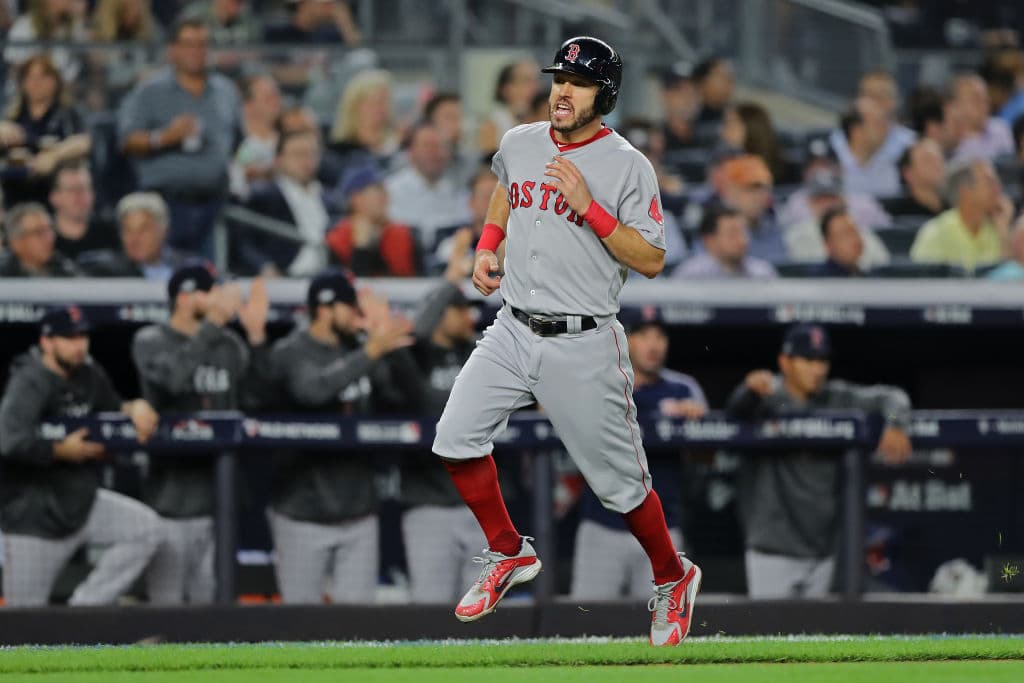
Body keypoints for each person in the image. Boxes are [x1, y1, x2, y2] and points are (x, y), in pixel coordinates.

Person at [432, 37, 701, 647]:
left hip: (584, 338)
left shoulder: (628, 164)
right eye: (559, 78)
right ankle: (508, 552)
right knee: (454, 439)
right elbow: (507, 187)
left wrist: (592, 211)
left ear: (603, 93)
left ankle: (671, 575)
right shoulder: (521, 141)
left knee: (620, 490)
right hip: (513, 324)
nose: (562, 90)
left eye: (577, 83)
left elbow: (653, 259)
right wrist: (486, 246)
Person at [725, 324, 913, 598]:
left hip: (824, 552)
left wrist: (896, 424)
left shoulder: (836, 396)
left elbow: (893, 397)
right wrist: (749, 389)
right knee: (770, 637)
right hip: (773, 549)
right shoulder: (768, 397)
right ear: (785, 362)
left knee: (815, 638)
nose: (818, 369)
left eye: (822, 360)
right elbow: (736, 410)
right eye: (808, 360)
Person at [267, 271, 418, 604]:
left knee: (358, 629)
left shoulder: (361, 349)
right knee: (299, 627)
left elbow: (404, 398)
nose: (356, 315)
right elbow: (312, 391)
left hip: (358, 510)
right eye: (350, 307)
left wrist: (388, 345)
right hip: (301, 511)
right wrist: (371, 351)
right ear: (324, 309)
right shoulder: (291, 351)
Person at [0, 306, 160, 607]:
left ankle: (82, 610)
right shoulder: (29, 380)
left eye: (83, 336)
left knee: (145, 529)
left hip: (80, 502)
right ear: (47, 342)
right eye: (69, 338)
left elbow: (113, 407)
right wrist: (60, 450)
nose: (79, 345)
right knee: (22, 628)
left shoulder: (88, 373)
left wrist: (133, 407)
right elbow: (9, 441)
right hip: (33, 520)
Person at [131, 264, 271, 604]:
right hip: (169, 498)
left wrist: (255, 337)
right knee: (166, 609)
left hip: (219, 500)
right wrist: (210, 327)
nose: (216, 299)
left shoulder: (229, 345)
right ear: (183, 297)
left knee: (213, 607)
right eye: (207, 292)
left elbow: (260, 400)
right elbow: (172, 380)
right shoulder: (151, 341)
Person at [571, 309, 707, 600]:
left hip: (664, 525)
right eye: (644, 335)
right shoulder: (603, 382)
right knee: (586, 621)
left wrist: (694, 426)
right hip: (603, 523)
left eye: (660, 336)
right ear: (626, 339)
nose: (653, 344)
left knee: (665, 620)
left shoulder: (683, 388)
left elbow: (707, 459)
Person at [118, 18, 243, 257]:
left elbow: (238, 140)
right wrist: (164, 137)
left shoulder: (226, 91)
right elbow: (127, 140)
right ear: (172, 50)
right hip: (165, 204)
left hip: (215, 204)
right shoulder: (149, 91)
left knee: (211, 279)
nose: (196, 51)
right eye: (189, 44)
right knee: (166, 278)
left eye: (202, 44)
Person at [235, 129, 331, 277]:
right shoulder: (263, 196)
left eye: (312, 153)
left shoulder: (332, 199)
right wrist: (264, 266)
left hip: (329, 275)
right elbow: (243, 242)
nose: (307, 160)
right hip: (285, 278)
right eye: (298, 154)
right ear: (279, 160)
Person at [0, 55, 91, 207]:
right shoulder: (11, 115)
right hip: (14, 188)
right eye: (30, 77)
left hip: (55, 191)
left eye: (43, 76)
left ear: (55, 81)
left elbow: (84, 142)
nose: (36, 83)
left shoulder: (67, 114)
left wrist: (54, 155)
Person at [910, 158, 1012, 272]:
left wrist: (1004, 233)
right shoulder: (935, 232)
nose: (998, 188)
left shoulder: (999, 229)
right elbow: (922, 280)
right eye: (990, 182)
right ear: (965, 191)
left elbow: (1009, 276)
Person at [385, 122, 471, 252]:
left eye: (440, 146)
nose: (434, 152)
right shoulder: (390, 192)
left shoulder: (458, 194)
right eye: (427, 145)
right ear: (411, 152)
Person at [325, 165, 420, 277]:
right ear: (356, 198)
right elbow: (345, 286)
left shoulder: (406, 234)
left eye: (384, 191)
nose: (384, 196)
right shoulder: (338, 238)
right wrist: (360, 248)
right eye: (377, 190)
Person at [783, 171, 889, 271]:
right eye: (820, 199)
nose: (827, 204)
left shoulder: (859, 229)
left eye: (832, 198)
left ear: (843, 200)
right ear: (810, 203)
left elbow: (881, 262)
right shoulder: (798, 234)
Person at [78, 192, 189, 279]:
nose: (135, 239)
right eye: (128, 230)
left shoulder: (188, 269)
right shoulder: (105, 272)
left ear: (163, 231)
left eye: (143, 230)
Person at [322, 69, 398, 187]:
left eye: (384, 101)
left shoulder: (399, 144)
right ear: (353, 106)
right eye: (372, 102)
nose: (380, 108)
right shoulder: (338, 152)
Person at [829, 96, 911, 199]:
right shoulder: (828, 162)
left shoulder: (888, 169)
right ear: (856, 131)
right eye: (878, 124)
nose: (886, 130)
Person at [672, 204, 776, 279]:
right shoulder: (690, 275)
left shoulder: (763, 272)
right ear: (709, 241)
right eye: (732, 234)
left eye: (743, 232)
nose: (742, 240)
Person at [716, 154, 787, 263]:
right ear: (730, 192)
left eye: (762, 189)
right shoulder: (717, 232)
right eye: (750, 189)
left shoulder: (777, 229)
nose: (758, 197)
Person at [3, 0, 89, 85]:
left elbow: (87, 59)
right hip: (30, 89)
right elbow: (13, 65)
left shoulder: (75, 26)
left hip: (67, 90)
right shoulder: (25, 26)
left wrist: (83, 17)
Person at [48, 160, 119, 260]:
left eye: (84, 188)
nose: (78, 196)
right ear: (54, 197)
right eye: (71, 189)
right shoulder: (43, 240)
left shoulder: (111, 233)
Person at [229, 73, 283, 200]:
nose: (277, 101)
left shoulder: (289, 139)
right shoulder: (231, 141)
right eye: (268, 98)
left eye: (277, 95)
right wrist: (246, 173)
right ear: (246, 104)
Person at [476, 59, 540, 156]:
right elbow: (488, 165)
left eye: (535, 80)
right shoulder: (493, 125)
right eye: (526, 81)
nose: (535, 86)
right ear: (507, 89)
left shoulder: (546, 119)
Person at [0, 201, 81, 277]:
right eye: (39, 232)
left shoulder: (65, 269)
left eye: (49, 230)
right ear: (16, 243)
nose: (49, 237)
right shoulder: (4, 274)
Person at [950, 74, 1015, 163]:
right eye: (976, 99)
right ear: (957, 104)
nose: (983, 104)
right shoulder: (951, 140)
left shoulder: (1001, 129)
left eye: (985, 99)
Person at [882, 139, 947, 218]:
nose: (938, 165)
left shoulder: (957, 206)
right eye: (928, 160)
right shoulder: (891, 214)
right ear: (908, 173)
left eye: (940, 159)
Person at [264, 0, 361, 45]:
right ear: (303, 4)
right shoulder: (276, 33)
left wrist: (343, 19)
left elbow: (360, 54)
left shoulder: (331, 34)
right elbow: (270, 70)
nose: (328, 6)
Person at [808, 207, 867, 277]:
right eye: (845, 234)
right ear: (828, 245)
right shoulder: (818, 279)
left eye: (854, 231)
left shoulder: (865, 275)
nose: (854, 238)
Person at [182, 0, 263, 45]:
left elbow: (258, 51)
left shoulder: (249, 19)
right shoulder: (196, 16)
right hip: (203, 70)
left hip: (242, 70)